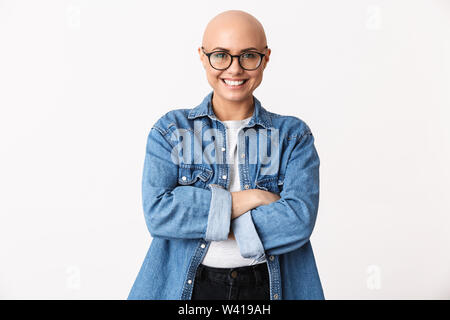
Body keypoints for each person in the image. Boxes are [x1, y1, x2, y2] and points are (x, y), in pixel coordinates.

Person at [128, 9, 324, 300]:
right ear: (202, 56)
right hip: (189, 289)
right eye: (221, 55)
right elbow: (159, 215)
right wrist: (253, 198)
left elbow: (297, 221)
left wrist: (200, 214)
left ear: (265, 58)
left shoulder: (293, 136)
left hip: (267, 288)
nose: (234, 69)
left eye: (248, 55)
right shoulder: (171, 130)